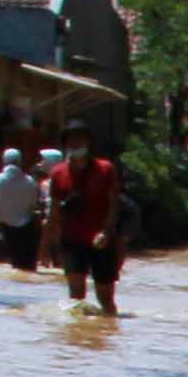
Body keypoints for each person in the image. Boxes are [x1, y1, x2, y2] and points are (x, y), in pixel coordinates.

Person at [48, 125, 124, 317]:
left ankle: (108, 330)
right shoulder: (57, 173)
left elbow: (113, 203)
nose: (76, 143)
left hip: (101, 241)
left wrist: (106, 231)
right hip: (71, 240)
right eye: (71, 140)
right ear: (65, 144)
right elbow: (54, 210)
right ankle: (77, 340)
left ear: (88, 142)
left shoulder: (105, 169)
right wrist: (47, 242)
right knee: (76, 299)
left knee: (105, 298)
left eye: (80, 139)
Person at [0, 147, 44, 272]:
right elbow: (33, 204)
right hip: (25, 231)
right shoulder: (29, 181)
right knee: (24, 267)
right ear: (20, 161)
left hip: (4, 229)